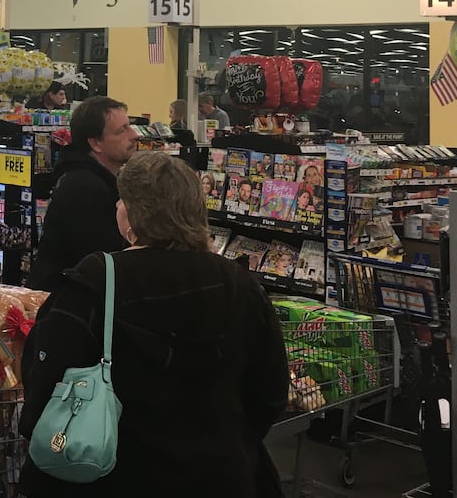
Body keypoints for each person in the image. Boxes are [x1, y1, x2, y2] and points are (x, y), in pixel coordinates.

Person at [18, 152, 289, 497]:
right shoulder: (239, 284)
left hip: (113, 473)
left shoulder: (96, 281)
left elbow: (44, 376)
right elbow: (270, 392)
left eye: (123, 199)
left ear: (134, 214)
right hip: (218, 474)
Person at [30, 96, 136, 292]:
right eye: (122, 130)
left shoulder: (92, 178)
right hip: (67, 306)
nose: (133, 135)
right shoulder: (84, 188)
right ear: (96, 143)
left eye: (129, 126)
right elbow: (97, 262)